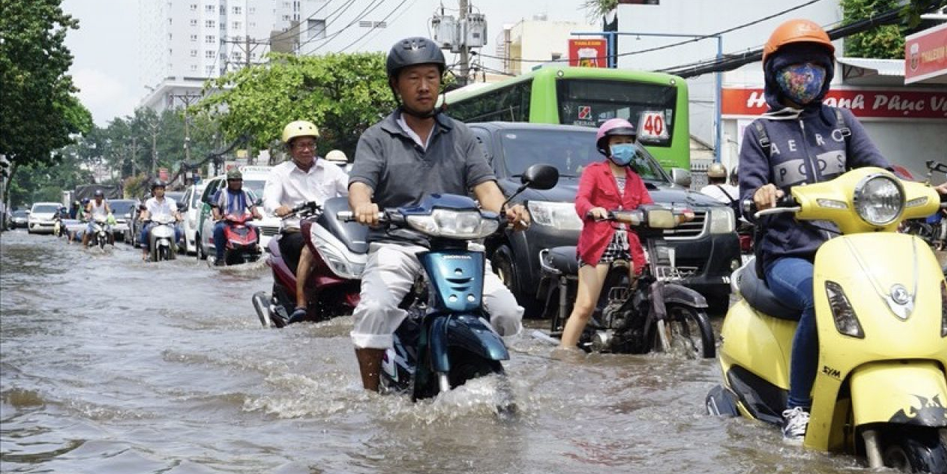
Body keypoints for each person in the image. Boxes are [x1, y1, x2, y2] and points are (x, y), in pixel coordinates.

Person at [348, 36, 529, 392]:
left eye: (431, 76)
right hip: (399, 243)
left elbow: (486, 188)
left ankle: (495, 372)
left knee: (506, 311)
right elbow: (360, 184)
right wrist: (363, 207)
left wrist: (509, 210)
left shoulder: (460, 135)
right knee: (373, 310)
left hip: (458, 245)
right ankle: (368, 395)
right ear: (396, 85)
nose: (424, 86)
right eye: (413, 78)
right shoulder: (376, 137)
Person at [739, 19, 891, 440]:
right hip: (788, 253)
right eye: (794, 68)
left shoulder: (842, 122)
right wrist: (760, 196)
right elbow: (747, 194)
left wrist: (926, 189)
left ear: (826, 73)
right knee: (818, 299)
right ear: (776, 75)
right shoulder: (760, 132)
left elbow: (879, 170)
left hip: (851, 250)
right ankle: (798, 408)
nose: (804, 77)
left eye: (814, 68)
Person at [558, 118, 655, 352]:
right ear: (606, 146)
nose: (624, 146)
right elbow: (581, 200)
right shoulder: (594, 172)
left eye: (628, 142)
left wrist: (678, 215)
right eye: (618, 141)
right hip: (600, 243)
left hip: (631, 244)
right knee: (585, 305)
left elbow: (649, 206)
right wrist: (592, 210)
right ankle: (564, 352)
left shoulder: (635, 178)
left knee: (644, 293)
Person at [262, 120, 349, 321]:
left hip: (331, 228)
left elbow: (351, 190)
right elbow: (270, 199)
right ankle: (301, 301)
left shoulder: (331, 170)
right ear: (290, 148)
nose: (307, 150)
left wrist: (366, 201)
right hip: (296, 231)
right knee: (312, 246)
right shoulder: (279, 173)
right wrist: (278, 208)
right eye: (301, 145)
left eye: (311, 144)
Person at [210, 170, 262, 266]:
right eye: (233, 180)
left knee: (254, 229)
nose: (236, 183)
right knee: (219, 229)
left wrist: (256, 214)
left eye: (238, 180)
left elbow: (252, 207)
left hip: (241, 222)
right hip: (226, 222)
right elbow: (215, 206)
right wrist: (217, 216)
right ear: (228, 181)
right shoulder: (221, 193)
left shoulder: (244, 194)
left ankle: (255, 251)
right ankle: (220, 257)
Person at [140, 180, 183, 260]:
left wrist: (178, 217)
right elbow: (147, 212)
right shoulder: (149, 202)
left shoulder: (170, 201)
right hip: (154, 224)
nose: (159, 191)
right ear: (154, 191)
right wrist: (145, 217)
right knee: (145, 231)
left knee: (177, 231)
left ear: (164, 190)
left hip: (168, 223)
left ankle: (174, 249)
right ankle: (145, 252)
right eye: (157, 189)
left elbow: (174, 210)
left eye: (161, 189)